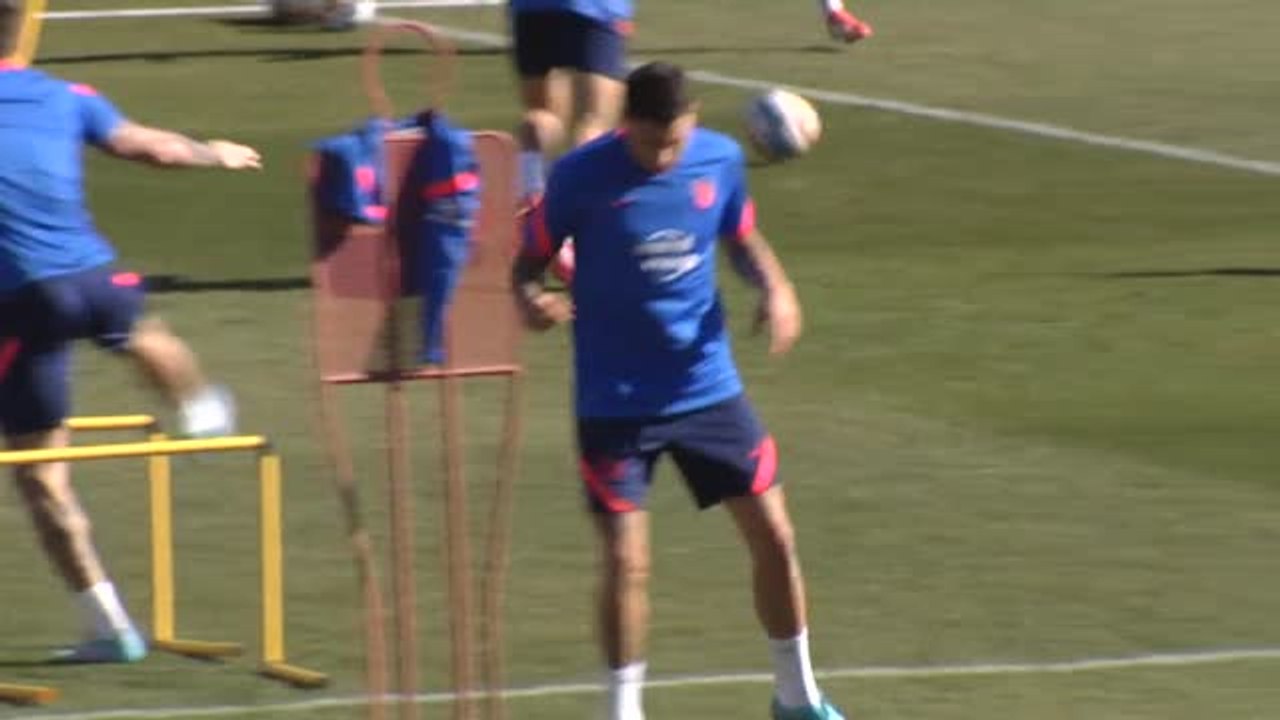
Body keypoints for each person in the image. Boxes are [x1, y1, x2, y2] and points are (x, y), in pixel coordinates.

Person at [511, 61, 847, 720]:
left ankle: (797, 696)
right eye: (652, 143)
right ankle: (623, 712)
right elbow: (524, 266)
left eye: (677, 140)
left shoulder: (718, 159)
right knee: (627, 562)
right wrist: (531, 303)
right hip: (615, 402)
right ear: (628, 124)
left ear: (692, 120)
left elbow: (742, 238)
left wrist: (774, 288)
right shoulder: (580, 176)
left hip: (708, 390)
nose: (666, 155)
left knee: (776, 537)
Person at [0, 0, 260, 664]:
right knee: (139, 327)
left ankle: (109, 626)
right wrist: (217, 153)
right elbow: (154, 149)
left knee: (41, 477)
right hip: (93, 279)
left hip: (19, 306)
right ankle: (200, 411)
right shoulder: (65, 95)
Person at [508, 0, 633, 204]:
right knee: (594, 120)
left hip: (532, 9)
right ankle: (581, 204)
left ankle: (531, 192)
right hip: (597, 8)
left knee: (540, 115)